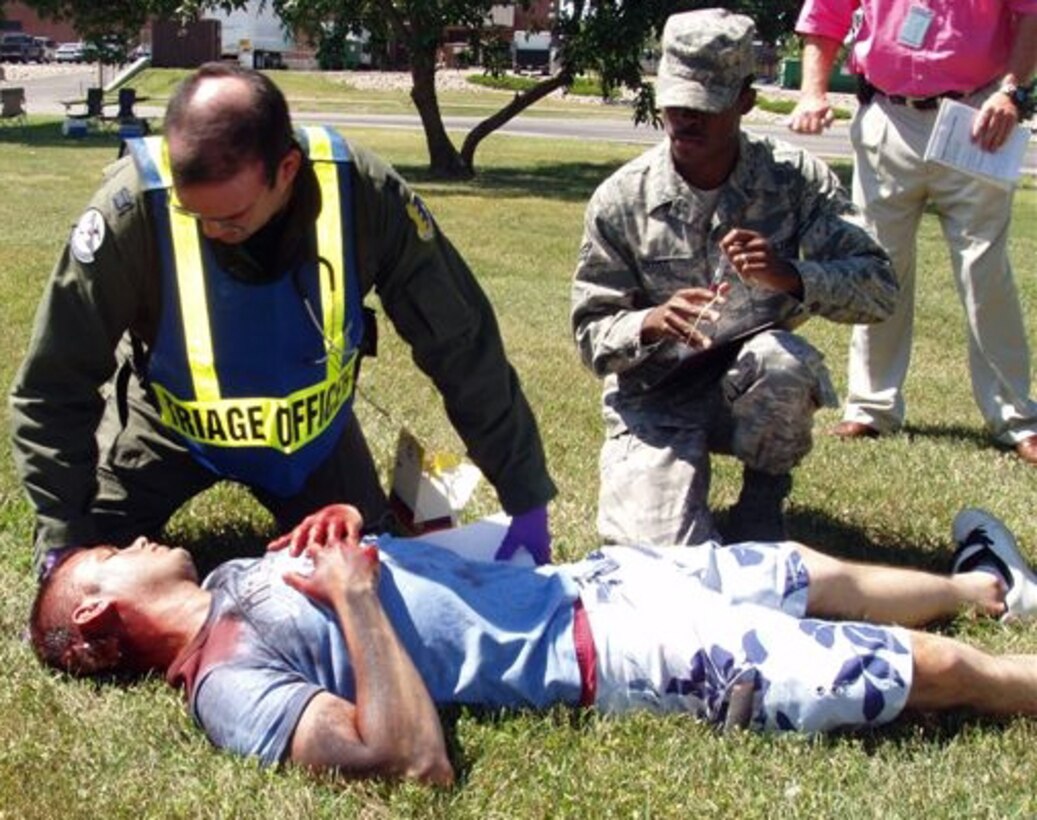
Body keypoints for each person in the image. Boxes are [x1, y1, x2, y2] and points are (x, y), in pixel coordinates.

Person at [29, 501, 1037, 786]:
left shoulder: (232, 584)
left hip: (577, 581)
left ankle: (980, 583)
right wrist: (357, 598)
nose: (140, 538)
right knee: (923, 674)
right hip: (602, 650)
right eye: (110, 556)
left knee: (792, 568)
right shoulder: (225, 685)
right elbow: (405, 758)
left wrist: (365, 535)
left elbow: (384, 571)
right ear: (93, 620)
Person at [8, 62, 556, 577]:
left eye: (231, 217)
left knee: (371, 559)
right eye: (190, 211)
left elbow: (462, 345)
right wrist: (65, 541)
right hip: (168, 430)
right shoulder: (128, 211)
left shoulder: (366, 194)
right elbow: (54, 384)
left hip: (310, 439)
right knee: (98, 561)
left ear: (286, 169)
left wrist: (525, 499)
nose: (208, 231)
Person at [571, 8, 897, 546]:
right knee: (652, 556)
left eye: (705, 104)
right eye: (676, 102)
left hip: (751, 386)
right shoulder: (622, 199)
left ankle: (762, 500)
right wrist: (650, 322)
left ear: (745, 100)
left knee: (784, 363)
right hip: (655, 394)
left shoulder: (794, 181)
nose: (686, 118)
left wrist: (791, 276)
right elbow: (590, 334)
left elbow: (879, 289)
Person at [790, 1, 1037, 463]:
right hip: (886, 113)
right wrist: (812, 91)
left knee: (984, 271)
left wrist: (1012, 92)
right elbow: (825, 15)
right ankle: (871, 407)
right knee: (879, 266)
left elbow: (1030, 14)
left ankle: (1016, 417)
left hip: (975, 116)